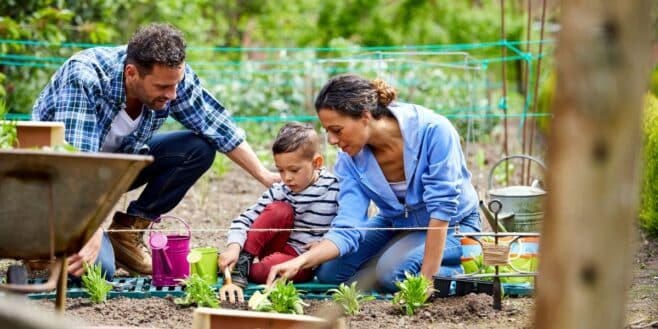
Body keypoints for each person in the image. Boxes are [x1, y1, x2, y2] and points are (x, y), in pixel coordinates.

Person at [31, 23, 279, 280]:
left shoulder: (171, 78)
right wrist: (90, 230)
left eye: (175, 85)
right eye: (162, 87)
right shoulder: (85, 77)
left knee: (198, 148)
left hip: (112, 170)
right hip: (55, 184)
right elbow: (74, 164)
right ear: (131, 73)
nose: (172, 95)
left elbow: (216, 125)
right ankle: (39, 245)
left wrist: (265, 175)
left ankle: (125, 236)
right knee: (99, 269)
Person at [266, 74, 481, 292]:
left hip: (454, 224)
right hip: (395, 222)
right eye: (327, 131)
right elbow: (349, 224)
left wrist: (426, 283)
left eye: (337, 130)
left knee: (393, 275)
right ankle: (394, 259)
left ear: (365, 116)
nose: (331, 140)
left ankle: (468, 267)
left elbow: (441, 210)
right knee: (329, 272)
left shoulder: (433, 131)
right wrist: (301, 261)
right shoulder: (350, 158)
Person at [219, 122, 339, 289]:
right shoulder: (281, 190)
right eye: (281, 170)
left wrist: (326, 242)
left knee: (269, 269)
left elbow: (345, 226)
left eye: (294, 170)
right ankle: (242, 263)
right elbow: (245, 220)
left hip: (303, 261)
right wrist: (233, 247)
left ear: (316, 163)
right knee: (279, 210)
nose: (287, 178)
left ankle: (241, 270)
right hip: (276, 246)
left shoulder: (334, 189)